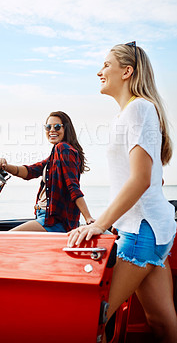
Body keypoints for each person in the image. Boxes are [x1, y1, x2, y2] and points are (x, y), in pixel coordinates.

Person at [68, 42, 177, 342]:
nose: (100, 71)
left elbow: (140, 179)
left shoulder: (139, 108)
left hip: (141, 231)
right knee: (162, 323)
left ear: (127, 71)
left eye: (106, 64)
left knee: (93, 322)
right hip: (154, 229)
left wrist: (99, 223)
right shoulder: (132, 112)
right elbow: (149, 177)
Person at [0, 111, 94, 232]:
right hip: (46, 217)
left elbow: (72, 186)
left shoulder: (63, 148)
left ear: (66, 129)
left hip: (53, 221)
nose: (52, 130)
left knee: (8, 238)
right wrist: (5, 165)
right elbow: (29, 172)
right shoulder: (54, 156)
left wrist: (88, 217)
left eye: (57, 127)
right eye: (48, 127)